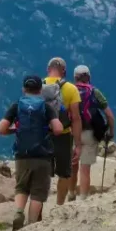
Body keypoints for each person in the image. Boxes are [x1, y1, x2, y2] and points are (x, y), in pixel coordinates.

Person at [0, 75, 64, 231]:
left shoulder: (16, 106)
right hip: (42, 156)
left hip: (22, 155)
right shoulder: (46, 107)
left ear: (23, 89)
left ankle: (19, 212)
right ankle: (31, 226)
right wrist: (47, 129)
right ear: (40, 90)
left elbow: (0, 129)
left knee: (21, 187)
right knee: (38, 193)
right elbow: (58, 128)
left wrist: (15, 130)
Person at [71, 65, 116, 198]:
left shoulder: (68, 91)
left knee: (73, 166)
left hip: (72, 134)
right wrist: (111, 131)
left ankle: (71, 193)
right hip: (90, 134)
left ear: (75, 77)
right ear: (89, 77)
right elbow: (109, 115)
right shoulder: (95, 92)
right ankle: (83, 198)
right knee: (85, 169)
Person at [43, 57, 82, 205]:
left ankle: (39, 206)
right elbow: (76, 118)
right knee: (65, 174)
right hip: (64, 135)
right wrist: (78, 145)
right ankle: (59, 206)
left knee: (43, 173)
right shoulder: (71, 89)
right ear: (64, 72)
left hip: (43, 135)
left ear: (48, 69)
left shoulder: (39, 86)